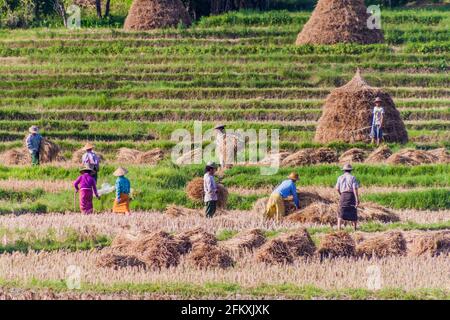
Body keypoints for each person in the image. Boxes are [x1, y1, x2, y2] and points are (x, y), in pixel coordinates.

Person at [335, 164, 360, 231]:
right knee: (353, 211)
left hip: (343, 195)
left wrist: (341, 194)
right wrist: (357, 199)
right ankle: (355, 229)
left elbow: (337, 188)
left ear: (344, 170)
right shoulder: (353, 177)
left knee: (341, 212)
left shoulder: (340, 177)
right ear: (350, 170)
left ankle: (338, 229)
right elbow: (355, 188)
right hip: (351, 195)